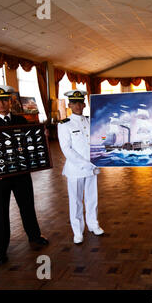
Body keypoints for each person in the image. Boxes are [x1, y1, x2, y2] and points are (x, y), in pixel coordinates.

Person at [0, 85, 49, 265]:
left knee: (28, 206)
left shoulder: (20, 119)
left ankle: (34, 236)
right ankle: (0, 250)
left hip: (21, 174)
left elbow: (34, 141)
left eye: (5, 99)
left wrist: (42, 135)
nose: (1, 103)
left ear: (10, 101)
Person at [58, 89, 103, 245]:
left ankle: (93, 224)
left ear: (84, 104)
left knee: (92, 199)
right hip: (76, 169)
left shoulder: (91, 122)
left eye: (80, 102)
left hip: (92, 167)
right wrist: (86, 164)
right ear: (69, 105)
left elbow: (98, 141)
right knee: (76, 201)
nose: (77, 105)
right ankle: (77, 231)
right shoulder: (64, 124)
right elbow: (66, 149)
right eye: (74, 103)